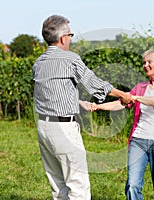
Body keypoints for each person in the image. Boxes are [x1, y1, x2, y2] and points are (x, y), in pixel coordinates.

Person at [32, 14, 132, 200]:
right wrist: (122, 95)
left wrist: (78, 103)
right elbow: (93, 83)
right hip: (64, 129)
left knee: (58, 186)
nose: (70, 39)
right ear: (63, 38)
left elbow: (49, 95)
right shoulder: (70, 59)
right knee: (79, 187)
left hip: (44, 128)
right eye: (70, 35)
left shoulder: (39, 63)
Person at [90, 49, 154, 200]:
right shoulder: (140, 87)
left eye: (149, 62)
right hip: (138, 141)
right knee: (132, 185)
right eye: (143, 63)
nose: (145, 65)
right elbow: (122, 102)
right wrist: (98, 106)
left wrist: (135, 98)